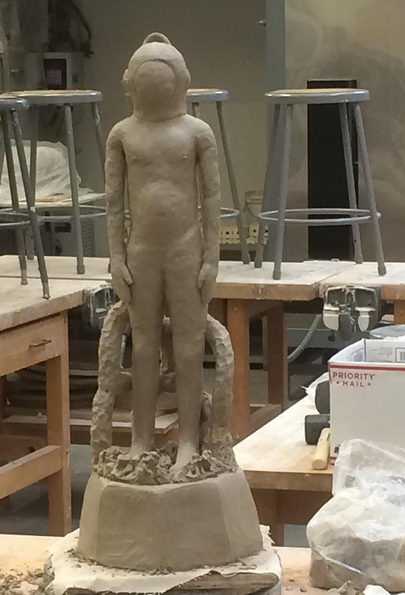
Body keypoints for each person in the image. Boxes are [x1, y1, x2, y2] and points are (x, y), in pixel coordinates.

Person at [105, 32, 221, 471]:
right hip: (142, 252)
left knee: (189, 347)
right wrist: (116, 258)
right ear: (130, 83)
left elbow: (212, 199)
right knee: (142, 348)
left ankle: (189, 439)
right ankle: (141, 439)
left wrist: (212, 257)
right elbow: (113, 203)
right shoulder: (123, 134)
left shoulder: (196, 132)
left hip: (185, 249)